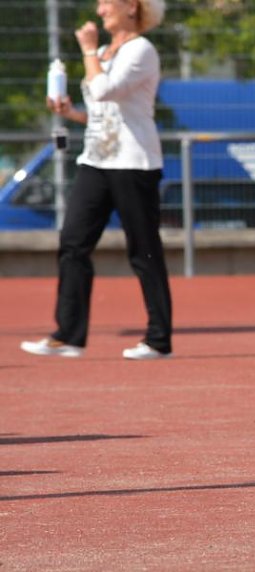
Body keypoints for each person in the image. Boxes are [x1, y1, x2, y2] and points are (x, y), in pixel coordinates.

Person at [20, 0, 172, 361]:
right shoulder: (103, 51)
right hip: (96, 161)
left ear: (133, 7)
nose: (100, 10)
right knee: (72, 242)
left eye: (108, 3)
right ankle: (68, 335)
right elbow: (102, 112)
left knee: (144, 251)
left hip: (135, 163)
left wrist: (88, 51)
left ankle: (158, 339)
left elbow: (106, 90)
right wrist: (71, 112)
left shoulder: (142, 50)